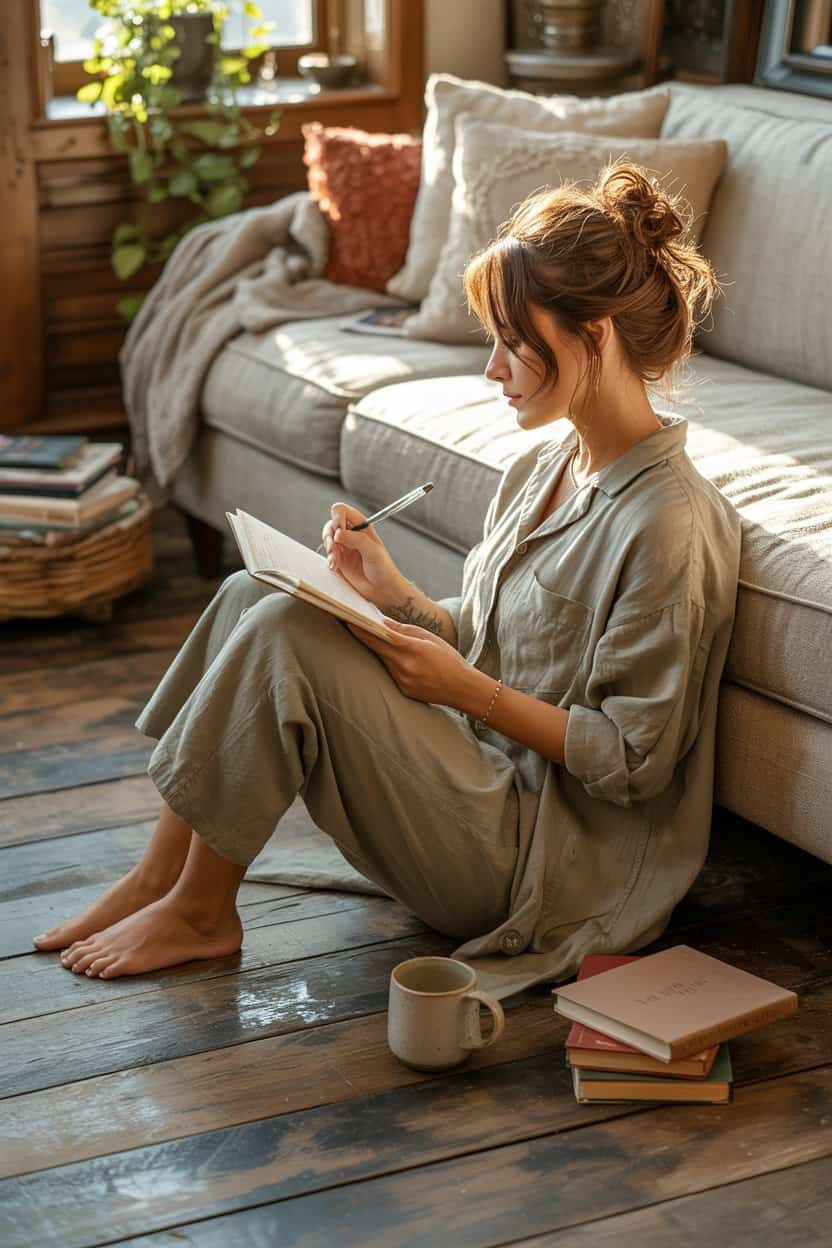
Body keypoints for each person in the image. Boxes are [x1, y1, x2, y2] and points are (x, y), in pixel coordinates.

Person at [33, 159, 743, 998]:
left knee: (285, 636)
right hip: (471, 775)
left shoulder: (669, 525)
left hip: (538, 863)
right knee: (257, 592)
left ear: (595, 338)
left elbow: (633, 760)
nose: (493, 368)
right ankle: (162, 878)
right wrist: (392, 595)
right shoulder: (543, 469)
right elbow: (494, 640)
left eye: (515, 342)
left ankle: (200, 912)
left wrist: (466, 692)